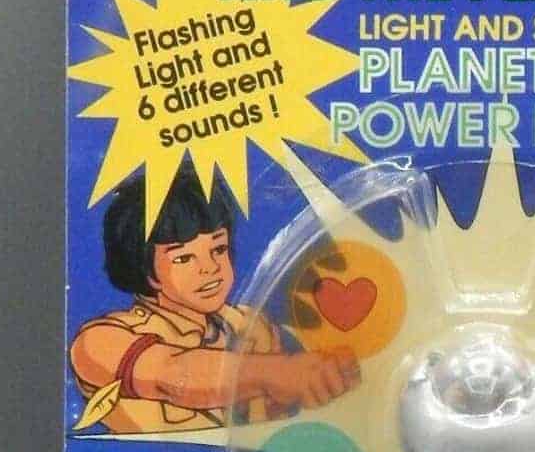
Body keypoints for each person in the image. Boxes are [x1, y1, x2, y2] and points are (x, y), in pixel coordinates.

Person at [70, 163, 359, 433]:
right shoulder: (98, 342)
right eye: (184, 258)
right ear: (146, 270)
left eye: (218, 249)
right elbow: (171, 374)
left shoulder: (249, 326)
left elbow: (275, 417)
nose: (210, 267)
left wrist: (324, 378)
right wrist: (276, 373)